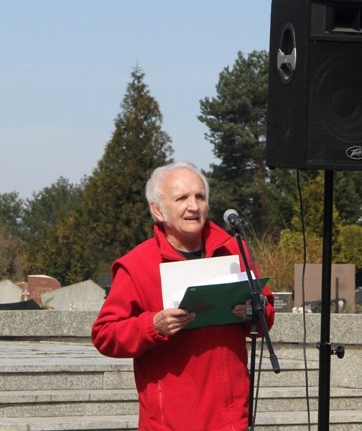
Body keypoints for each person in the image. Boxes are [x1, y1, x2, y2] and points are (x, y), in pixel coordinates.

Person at [91, 161, 275, 431]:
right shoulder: (136, 265)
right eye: (182, 198)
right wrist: (152, 326)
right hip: (170, 421)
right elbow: (105, 335)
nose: (194, 206)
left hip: (231, 418)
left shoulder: (235, 252)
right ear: (157, 210)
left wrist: (251, 311)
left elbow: (266, 314)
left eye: (200, 196)